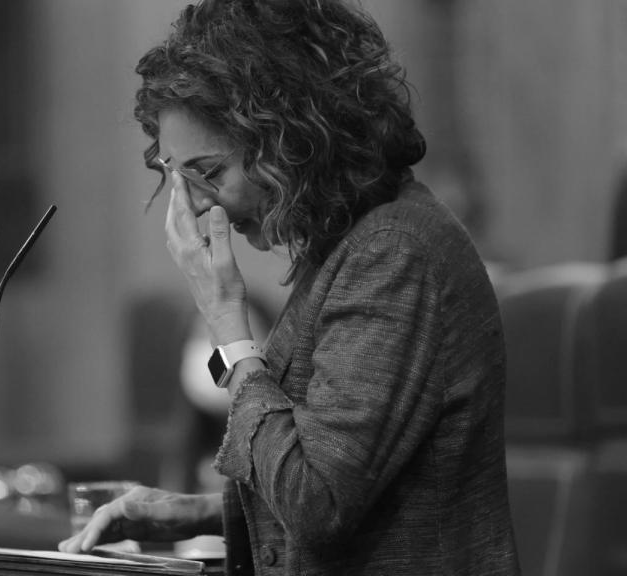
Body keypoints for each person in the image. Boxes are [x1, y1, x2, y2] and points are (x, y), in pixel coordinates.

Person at [59, 0, 521, 574]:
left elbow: (317, 504)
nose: (199, 204)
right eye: (178, 175)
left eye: (207, 172)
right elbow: (337, 479)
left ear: (291, 138)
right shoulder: (348, 246)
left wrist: (228, 320)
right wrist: (195, 513)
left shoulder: (393, 253)